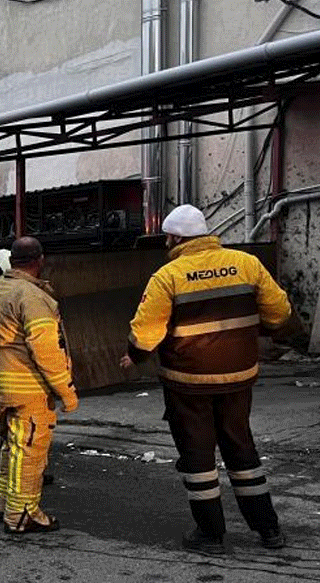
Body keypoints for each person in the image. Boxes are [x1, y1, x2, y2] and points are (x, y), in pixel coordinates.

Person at [120, 204, 297, 555]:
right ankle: (268, 530)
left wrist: (135, 356)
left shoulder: (168, 275)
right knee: (242, 448)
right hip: (238, 378)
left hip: (189, 383)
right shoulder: (247, 264)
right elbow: (280, 314)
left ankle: (211, 534)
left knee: (198, 457)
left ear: (174, 238)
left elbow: (146, 334)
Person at [0, 236, 78, 533]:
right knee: (30, 449)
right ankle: (22, 515)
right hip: (27, 385)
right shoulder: (32, 297)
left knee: (12, 446)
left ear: (11, 260)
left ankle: (5, 503)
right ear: (40, 260)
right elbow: (46, 350)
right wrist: (66, 392)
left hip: (2, 382)